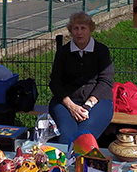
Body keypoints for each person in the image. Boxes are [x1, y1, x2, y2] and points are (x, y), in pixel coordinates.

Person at [48, 12, 114, 145]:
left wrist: (88, 106)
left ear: (90, 30)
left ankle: (84, 164)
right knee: (66, 137)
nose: (79, 32)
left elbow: (106, 81)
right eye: (75, 28)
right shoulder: (63, 52)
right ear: (71, 31)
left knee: (84, 136)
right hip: (65, 102)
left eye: (83, 28)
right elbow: (55, 82)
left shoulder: (101, 51)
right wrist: (71, 106)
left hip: (97, 102)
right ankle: (64, 165)